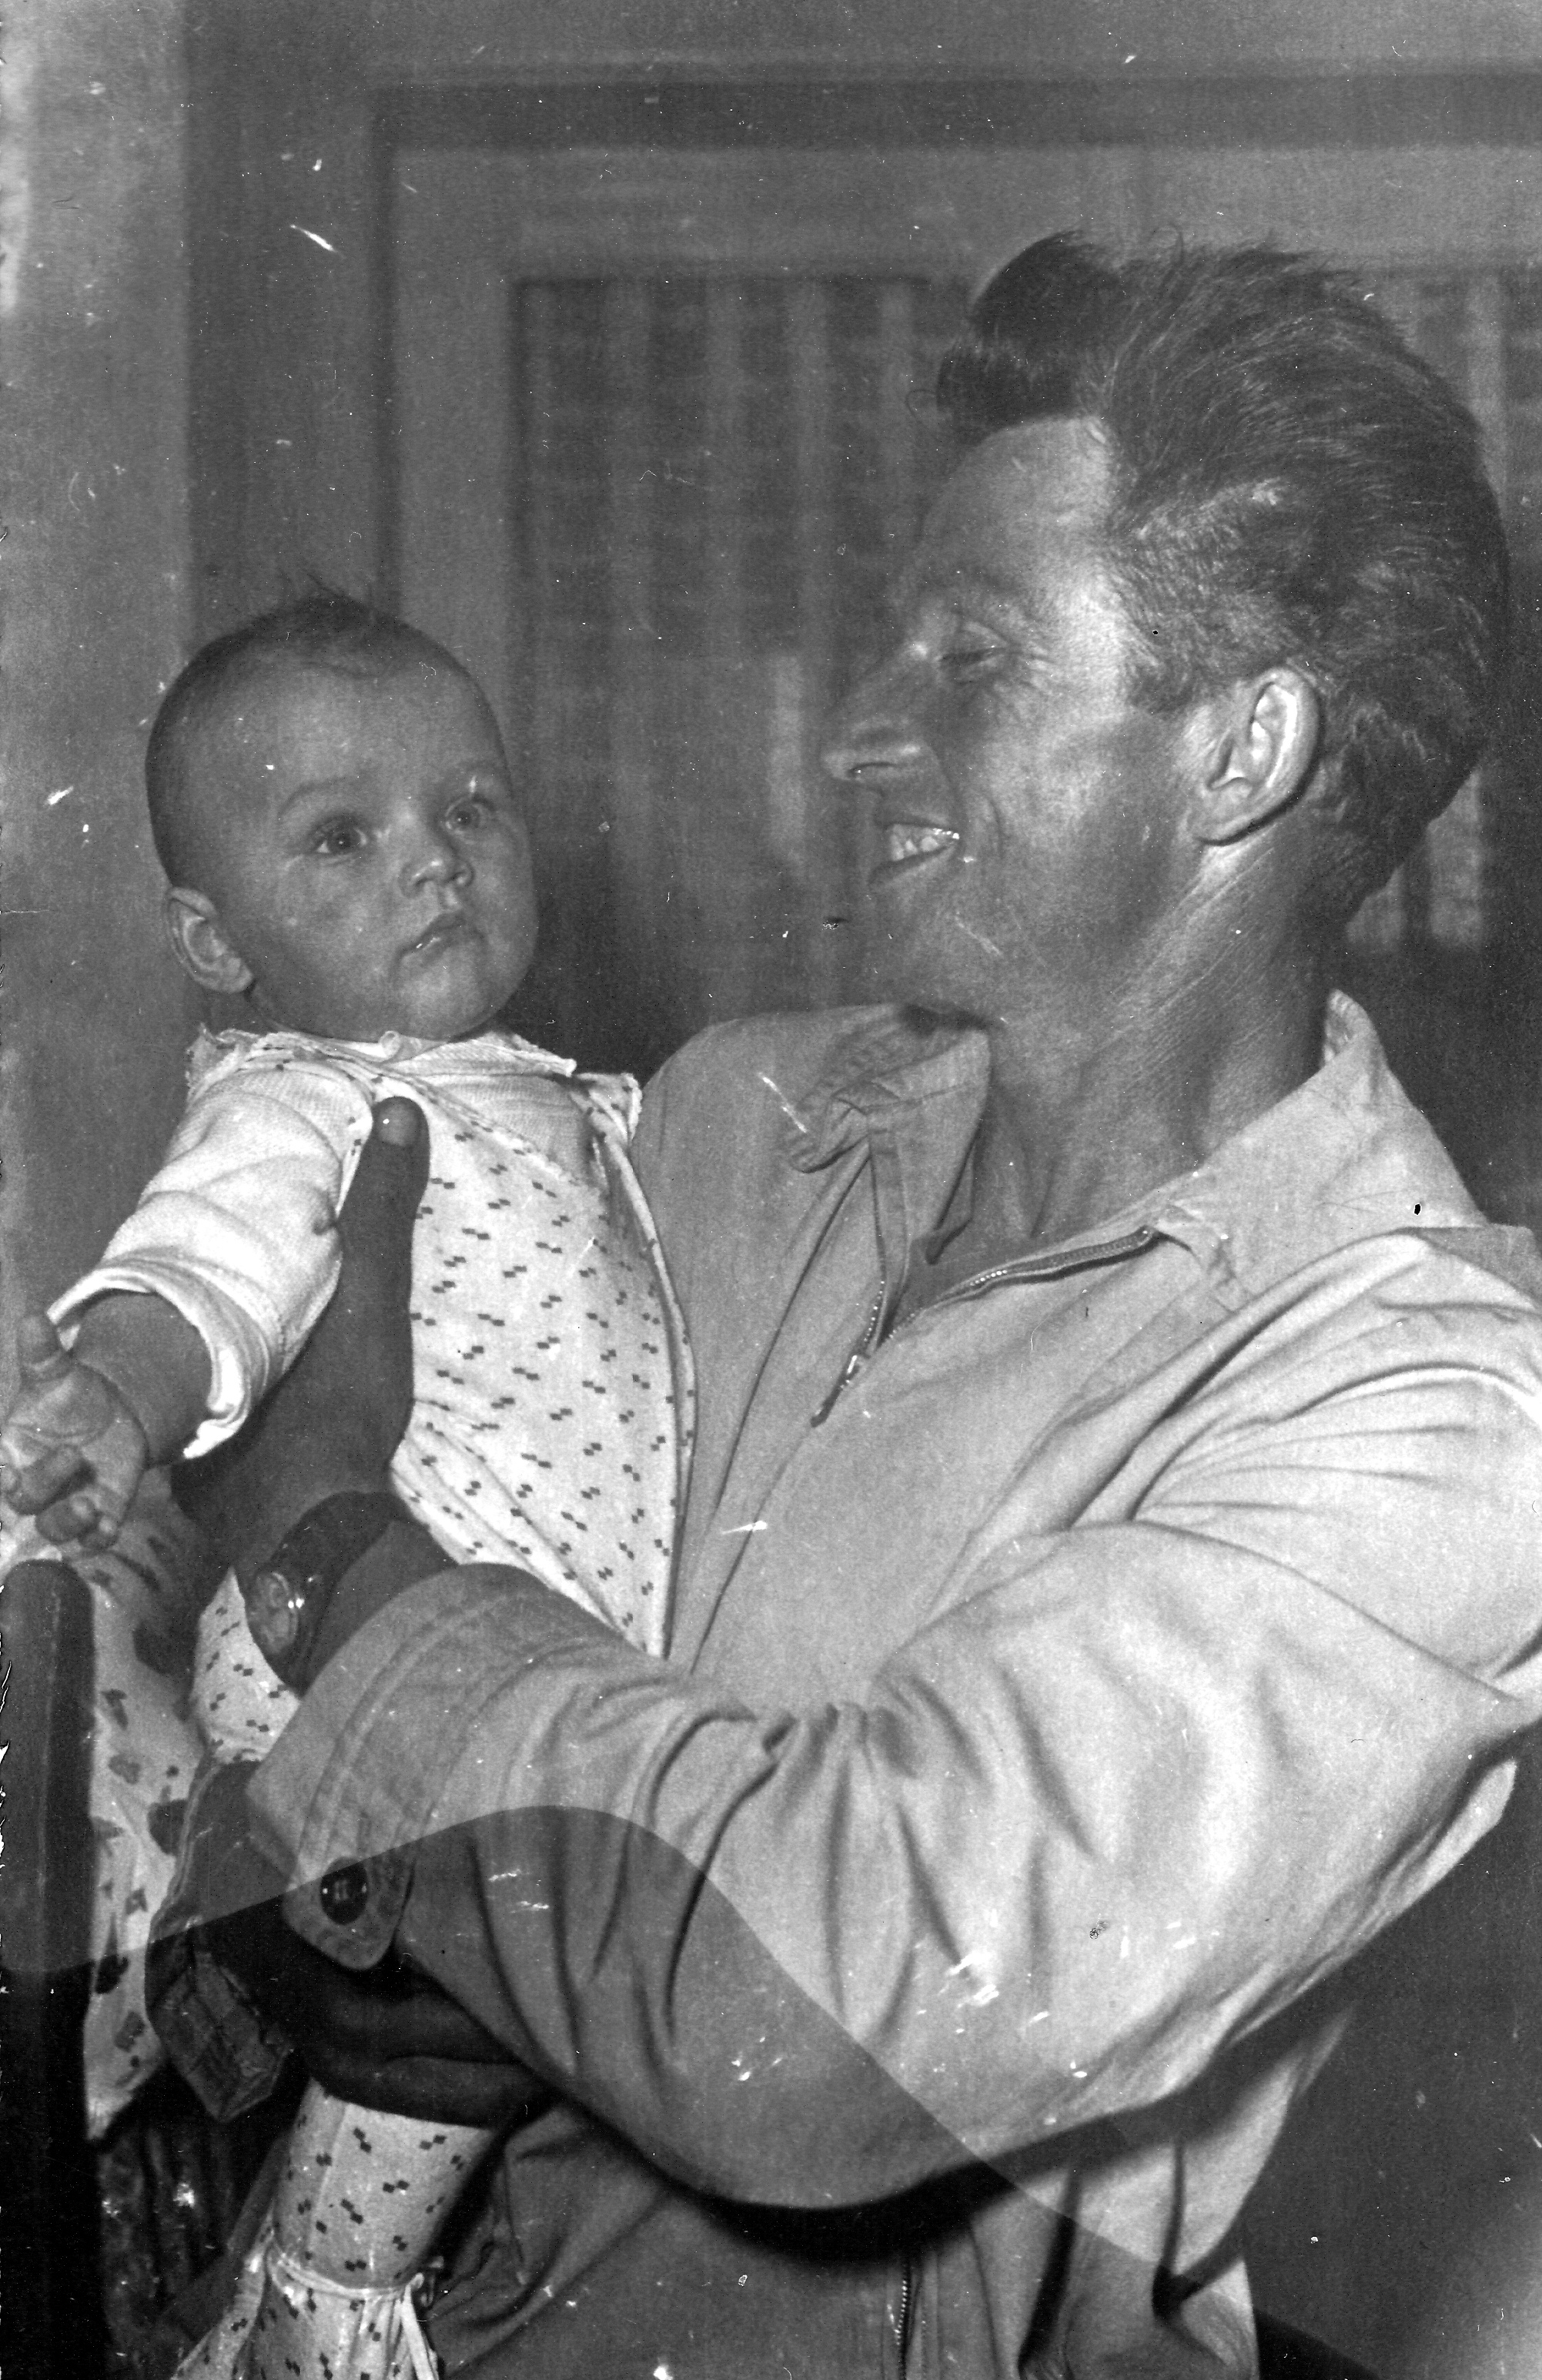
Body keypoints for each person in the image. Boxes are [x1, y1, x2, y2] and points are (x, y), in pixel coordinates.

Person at [154, 236, 1542, 2378]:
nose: (857, 732)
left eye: (970, 658)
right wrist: (296, 1929)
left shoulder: (1424, 1402)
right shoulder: (727, 1123)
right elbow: (275, 1796)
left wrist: (324, 1534)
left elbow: (809, 2007)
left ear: (1242, 750)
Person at [0, 595, 688, 2376]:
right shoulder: (308, 1102)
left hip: (500, 1666)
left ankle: (269, 2201)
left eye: (471, 806)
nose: (432, 860)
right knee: (433, 2051)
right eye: (340, 837)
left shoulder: (542, 1097)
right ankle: (317, 2315)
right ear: (212, 943)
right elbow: (201, 1270)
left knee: (476, 2022)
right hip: (362, 1665)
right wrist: (120, 1390)